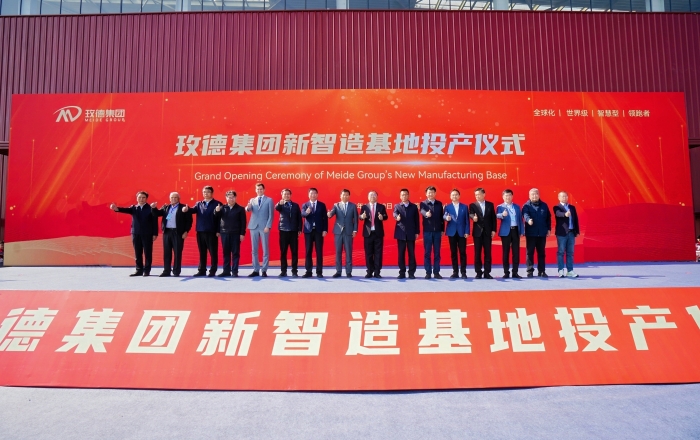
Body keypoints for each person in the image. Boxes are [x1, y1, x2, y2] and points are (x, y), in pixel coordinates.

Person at [110, 191, 158, 277]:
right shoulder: (134, 208)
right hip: (136, 233)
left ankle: (147, 270)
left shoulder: (150, 208)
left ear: (146, 199)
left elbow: (155, 222)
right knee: (137, 252)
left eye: (143, 197)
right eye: (139, 197)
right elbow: (123, 210)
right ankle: (139, 270)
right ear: (137, 198)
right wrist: (115, 208)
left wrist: (155, 234)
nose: (141, 199)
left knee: (147, 253)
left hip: (147, 234)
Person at [182, 186, 222, 277]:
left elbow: (220, 218)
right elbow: (192, 210)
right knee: (202, 252)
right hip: (200, 231)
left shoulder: (217, 203)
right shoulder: (199, 203)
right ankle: (202, 270)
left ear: (212, 193)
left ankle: (213, 270)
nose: (206, 193)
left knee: (213, 252)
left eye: (208, 192)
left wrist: (218, 230)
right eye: (204, 192)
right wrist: (187, 209)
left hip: (212, 231)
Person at [151, 192, 192, 277]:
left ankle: (176, 271)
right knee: (167, 252)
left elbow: (189, 221)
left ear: (179, 199)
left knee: (177, 252)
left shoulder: (183, 207)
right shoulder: (166, 207)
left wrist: (186, 231)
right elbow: (156, 214)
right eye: (172, 197)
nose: (173, 199)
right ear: (169, 199)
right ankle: (166, 270)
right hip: (167, 232)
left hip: (178, 233)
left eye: (175, 197)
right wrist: (154, 208)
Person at [214, 190, 246, 277]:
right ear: (226, 198)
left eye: (232, 197)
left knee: (235, 253)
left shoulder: (240, 209)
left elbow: (243, 222)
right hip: (224, 233)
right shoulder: (222, 208)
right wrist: (217, 211)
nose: (231, 199)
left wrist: (242, 234)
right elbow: (217, 218)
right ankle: (226, 271)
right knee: (226, 253)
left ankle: (235, 271)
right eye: (229, 197)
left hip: (236, 233)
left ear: (235, 198)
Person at [245, 183, 274, 277]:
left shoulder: (269, 200)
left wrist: (268, 226)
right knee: (254, 250)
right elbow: (248, 209)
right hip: (253, 227)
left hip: (264, 227)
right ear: (255, 190)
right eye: (258, 189)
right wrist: (248, 207)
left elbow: (271, 215)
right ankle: (256, 269)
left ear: (264, 190)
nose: (259, 190)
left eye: (261, 189)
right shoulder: (252, 200)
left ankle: (264, 270)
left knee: (265, 249)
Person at [328, 189, 358, 278]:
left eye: (347, 195)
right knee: (338, 252)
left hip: (349, 232)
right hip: (338, 232)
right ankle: (338, 271)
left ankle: (348, 271)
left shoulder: (353, 206)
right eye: (343, 195)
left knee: (348, 252)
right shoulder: (336, 205)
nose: (345, 196)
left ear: (349, 196)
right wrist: (329, 214)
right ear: (340, 196)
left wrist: (355, 230)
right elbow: (331, 214)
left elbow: (356, 219)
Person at [522, 188, 552, 278]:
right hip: (531, 233)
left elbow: (548, 218)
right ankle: (530, 271)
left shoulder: (544, 205)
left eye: (536, 194)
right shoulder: (526, 206)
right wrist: (528, 220)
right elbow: (525, 214)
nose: (534, 196)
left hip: (542, 233)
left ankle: (541, 271)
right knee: (529, 253)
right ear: (529, 196)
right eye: (532, 194)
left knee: (541, 253)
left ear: (539, 195)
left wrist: (548, 229)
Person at [496, 189, 524, 279]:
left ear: (512, 196)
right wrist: (502, 215)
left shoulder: (517, 206)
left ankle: (515, 272)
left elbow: (520, 219)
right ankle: (506, 272)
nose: (507, 197)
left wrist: (522, 231)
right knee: (506, 252)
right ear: (503, 197)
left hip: (515, 230)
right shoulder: (500, 207)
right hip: (505, 232)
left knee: (516, 252)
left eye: (509, 195)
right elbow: (496, 215)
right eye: (506, 195)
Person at [300, 188, 328, 278]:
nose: (313, 195)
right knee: (308, 251)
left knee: (319, 251)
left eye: (315, 193)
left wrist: (325, 230)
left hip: (319, 231)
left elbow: (325, 218)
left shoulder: (322, 205)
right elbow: (302, 215)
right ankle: (308, 271)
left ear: (317, 194)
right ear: (308, 195)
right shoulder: (305, 205)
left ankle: (319, 272)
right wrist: (306, 212)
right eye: (311, 193)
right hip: (308, 231)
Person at [469, 188, 497, 279]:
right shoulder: (473, 205)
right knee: (477, 253)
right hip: (477, 233)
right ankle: (478, 272)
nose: (477, 196)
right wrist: (473, 218)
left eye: (479, 194)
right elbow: (471, 214)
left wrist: (493, 230)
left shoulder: (490, 204)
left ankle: (487, 272)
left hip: (487, 232)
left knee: (487, 253)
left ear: (484, 194)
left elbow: (493, 218)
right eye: (476, 195)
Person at [360, 190, 388, 278]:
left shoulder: (381, 207)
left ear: (377, 197)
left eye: (374, 195)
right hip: (368, 233)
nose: (372, 196)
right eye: (371, 195)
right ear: (368, 197)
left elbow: (386, 216)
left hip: (378, 233)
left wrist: (382, 217)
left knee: (378, 254)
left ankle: (377, 272)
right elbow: (360, 217)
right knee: (368, 253)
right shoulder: (364, 207)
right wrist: (362, 216)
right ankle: (369, 271)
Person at [275, 188, 302, 277]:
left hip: (293, 231)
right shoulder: (281, 204)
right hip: (283, 230)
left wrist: (299, 229)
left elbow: (299, 218)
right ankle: (283, 271)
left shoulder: (295, 205)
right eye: (285, 194)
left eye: (288, 194)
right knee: (283, 252)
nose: (286, 195)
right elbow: (277, 208)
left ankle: (294, 271)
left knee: (294, 252)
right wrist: (279, 203)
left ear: (290, 195)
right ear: (282, 195)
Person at [443, 189, 469, 279]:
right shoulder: (448, 207)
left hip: (462, 233)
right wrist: (446, 218)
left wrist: (467, 231)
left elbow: (467, 220)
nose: (454, 196)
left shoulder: (464, 207)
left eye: (456, 194)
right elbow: (444, 215)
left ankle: (463, 272)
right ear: (450, 197)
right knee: (453, 253)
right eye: (453, 195)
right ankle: (455, 272)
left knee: (462, 253)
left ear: (459, 196)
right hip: (452, 232)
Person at [394, 188, 420, 279]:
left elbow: (417, 220)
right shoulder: (397, 206)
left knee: (411, 254)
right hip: (400, 233)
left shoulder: (413, 207)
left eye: (405, 194)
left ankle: (411, 272)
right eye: (402, 195)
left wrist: (417, 232)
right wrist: (397, 217)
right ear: (400, 196)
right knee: (401, 254)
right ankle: (402, 272)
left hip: (411, 233)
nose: (404, 196)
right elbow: (395, 214)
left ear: (408, 195)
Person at [420, 186, 445, 279]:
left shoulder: (439, 204)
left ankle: (436, 272)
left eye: (432, 192)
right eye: (429, 192)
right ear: (426, 194)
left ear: (435, 193)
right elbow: (422, 211)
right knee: (427, 253)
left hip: (437, 232)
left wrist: (442, 229)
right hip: (427, 232)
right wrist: (426, 214)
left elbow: (442, 218)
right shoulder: (423, 203)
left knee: (437, 253)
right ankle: (428, 272)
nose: (430, 194)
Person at [553, 191, 580, 278]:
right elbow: (558, 214)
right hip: (562, 233)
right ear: (559, 198)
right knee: (561, 252)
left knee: (570, 253)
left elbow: (575, 219)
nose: (564, 198)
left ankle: (570, 271)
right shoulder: (557, 207)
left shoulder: (572, 207)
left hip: (571, 233)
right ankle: (561, 270)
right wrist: (565, 214)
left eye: (566, 196)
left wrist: (577, 231)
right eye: (562, 196)